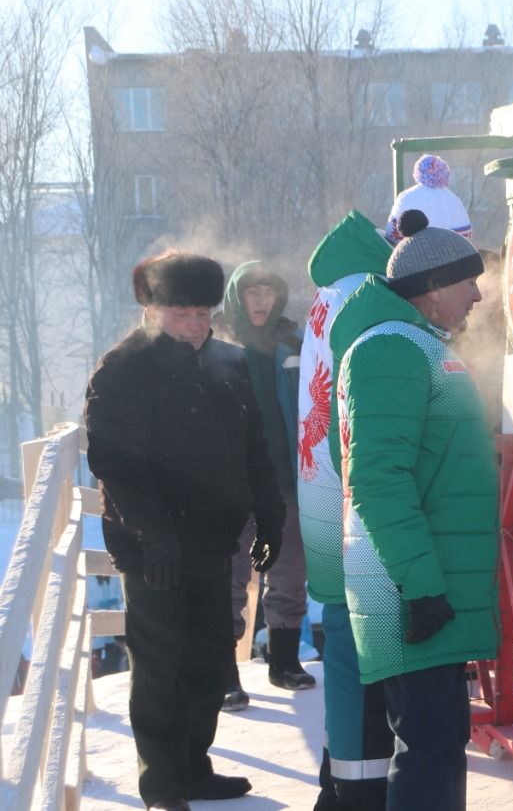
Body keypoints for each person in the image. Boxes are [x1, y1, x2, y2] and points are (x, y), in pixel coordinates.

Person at [85, 251, 285, 811]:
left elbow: (255, 447)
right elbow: (116, 462)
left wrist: (270, 515)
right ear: (151, 309)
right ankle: (162, 787)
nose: (196, 327)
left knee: (208, 661)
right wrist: (155, 535)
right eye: (182, 315)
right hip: (151, 546)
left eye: (203, 314)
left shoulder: (227, 362)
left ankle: (194, 766)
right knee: (158, 669)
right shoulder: (122, 369)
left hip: (212, 539)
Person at [335, 226, 499, 810]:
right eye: (468, 283)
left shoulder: (419, 345)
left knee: (439, 739)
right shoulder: (389, 349)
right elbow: (379, 481)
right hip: (407, 587)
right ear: (432, 289)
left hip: (424, 581)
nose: (478, 296)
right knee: (429, 742)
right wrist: (422, 587)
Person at [297, 211, 411, 809]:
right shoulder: (368, 299)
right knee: (366, 658)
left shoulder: (331, 290)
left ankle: (340, 786)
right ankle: (357, 795)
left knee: (344, 648)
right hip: (358, 506)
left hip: (326, 498)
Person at [214, 261, 313, 710]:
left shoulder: (294, 342)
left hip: (285, 480)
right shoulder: (214, 345)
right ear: (238, 297)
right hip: (232, 484)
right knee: (229, 578)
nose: (260, 299)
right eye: (251, 291)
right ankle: (223, 674)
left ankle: (284, 662)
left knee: (289, 573)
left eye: (267, 291)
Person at [385, 153, 471, 241]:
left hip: (415, 253)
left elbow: (392, 235)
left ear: (418, 171)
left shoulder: (406, 198)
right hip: (455, 253)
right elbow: (466, 237)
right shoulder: (455, 201)